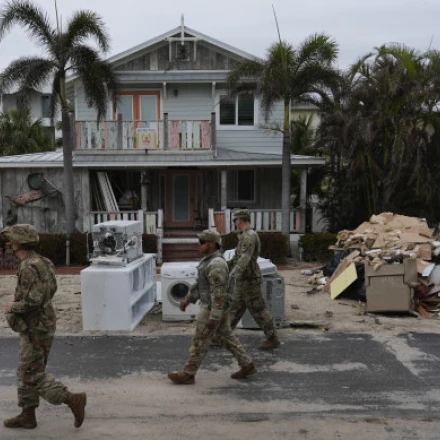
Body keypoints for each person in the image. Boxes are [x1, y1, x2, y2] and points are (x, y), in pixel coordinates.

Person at [2, 224, 87, 430]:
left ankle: (71, 398)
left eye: (12, 240)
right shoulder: (43, 261)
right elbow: (49, 292)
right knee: (28, 369)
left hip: (34, 326)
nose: (9, 243)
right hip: (42, 323)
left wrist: (14, 306)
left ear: (19, 242)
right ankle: (27, 415)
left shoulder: (29, 267)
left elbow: (34, 301)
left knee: (31, 374)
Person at [168, 230, 256, 384]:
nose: (199, 246)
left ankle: (188, 374)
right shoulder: (208, 261)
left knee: (200, 340)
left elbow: (219, 293)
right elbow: (200, 285)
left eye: (203, 243)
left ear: (212, 244)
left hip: (212, 308)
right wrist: (188, 299)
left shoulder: (216, 264)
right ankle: (247, 364)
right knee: (227, 338)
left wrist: (214, 316)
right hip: (215, 307)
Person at [228, 210, 280, 350]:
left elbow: (245, 258)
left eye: (235, 220)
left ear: (240, 220)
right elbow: (237, 257)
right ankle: (223, 335)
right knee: (234, 308)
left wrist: (233, 273)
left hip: (250, 280)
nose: (234, 222)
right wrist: (226, 267)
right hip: (242, 279)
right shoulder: (244, 236)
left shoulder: (249, 236)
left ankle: (272, 338)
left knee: (259, 310)